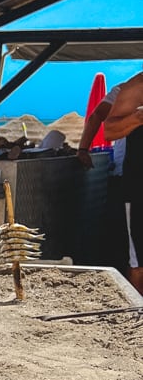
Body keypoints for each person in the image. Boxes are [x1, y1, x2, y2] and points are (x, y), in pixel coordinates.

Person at [77, 82, 129, 274]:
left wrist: (83, 148)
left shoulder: (125, 90)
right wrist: (83, 148)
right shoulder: (124, 91)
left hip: (126, 177)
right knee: (123, 239)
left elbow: (96, 116)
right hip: (126, 176)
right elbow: (97, 115)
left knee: (124, 239)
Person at [102, 71, 143, 294]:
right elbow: (109, 130)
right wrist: (138, 118)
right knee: (139, 264)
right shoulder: (137, 86)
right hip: (139, 188)